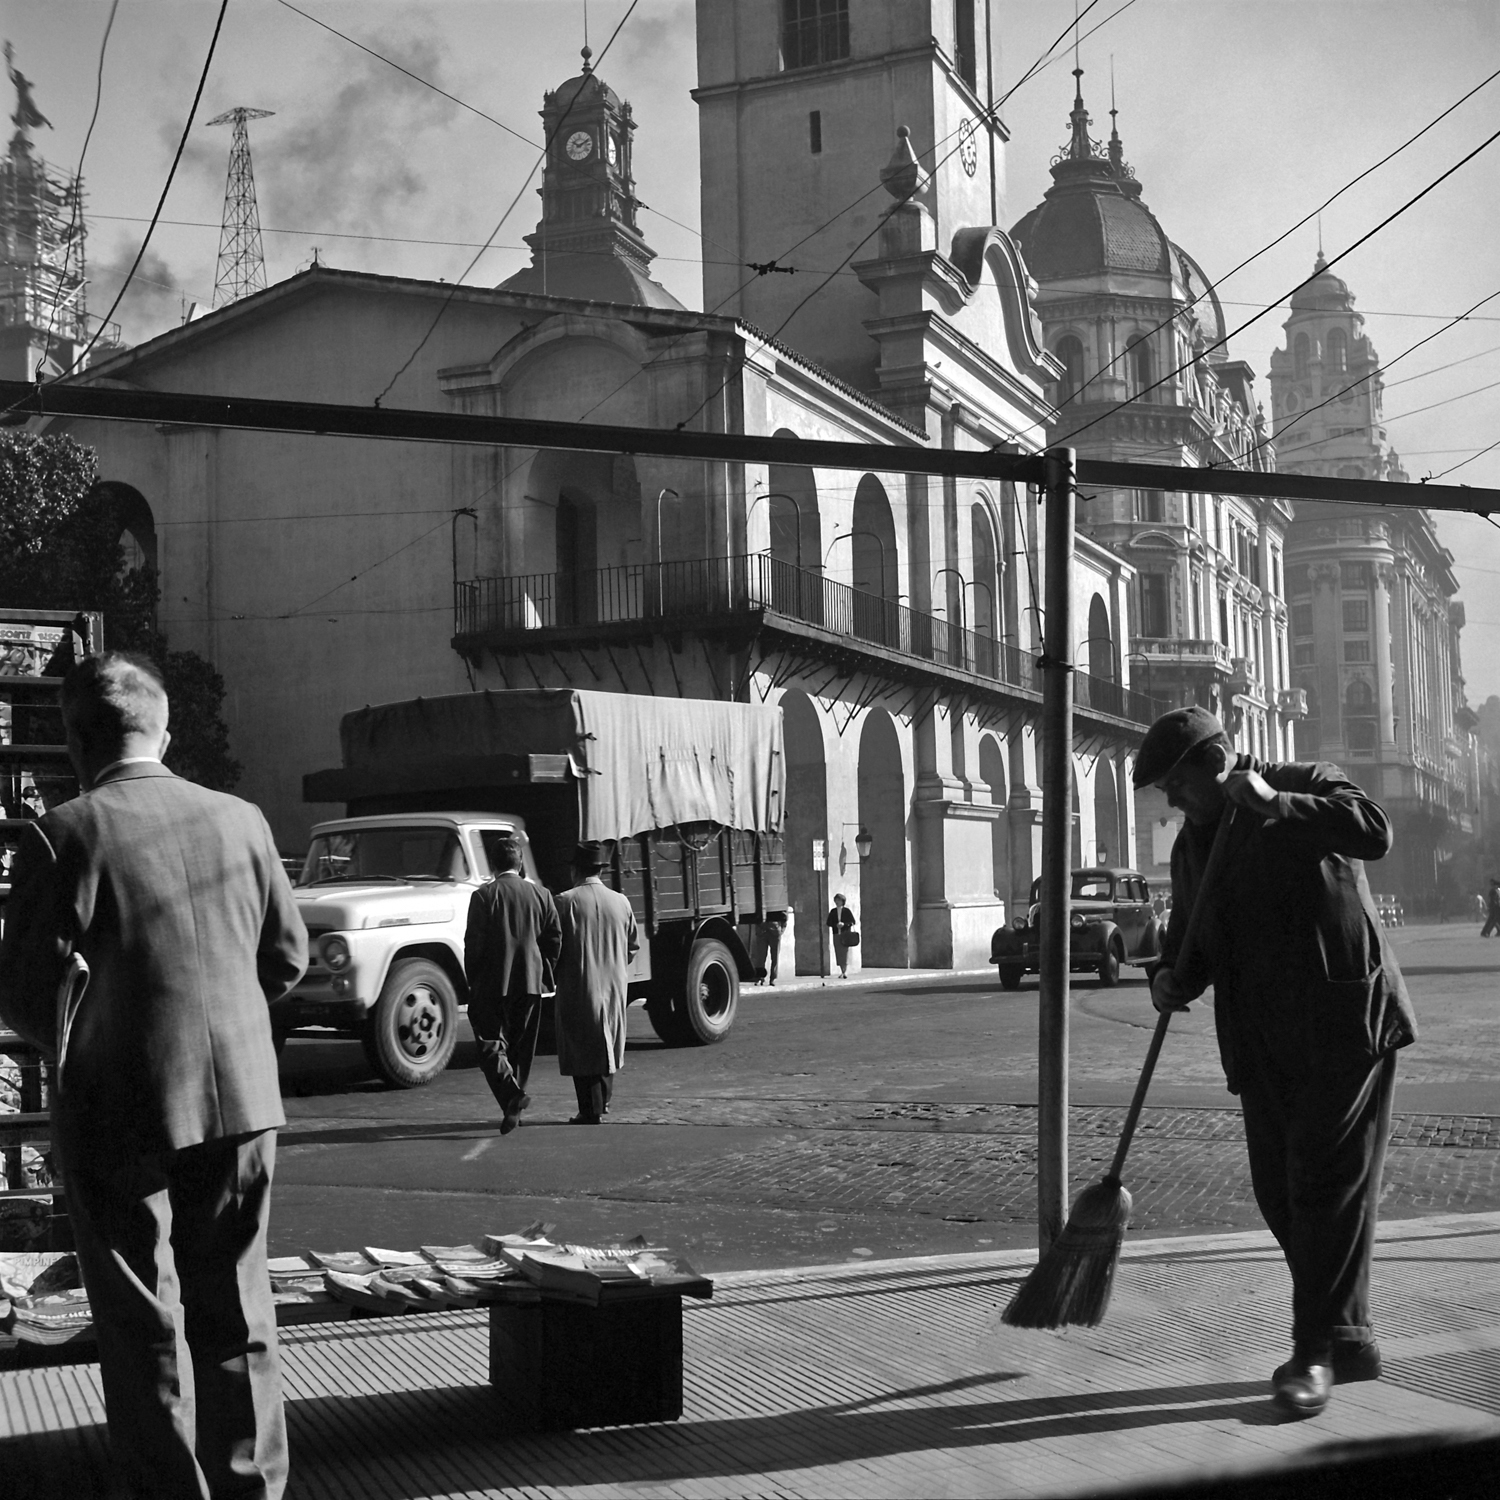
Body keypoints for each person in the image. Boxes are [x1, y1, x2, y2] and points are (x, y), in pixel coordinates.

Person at [0, 652, 307, 1498]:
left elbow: (24, 995)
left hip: (119, 1113)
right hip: (242, 1103)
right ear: (162, 729)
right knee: (241, 1315)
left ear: (74, 740)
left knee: (144, 1326)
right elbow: (286, 959)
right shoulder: (242, 821)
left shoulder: (62, 834)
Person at [1138, 705, 1415, 1420]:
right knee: (1280, 1193)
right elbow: (1194, 946)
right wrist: (1170, 979)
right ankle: (1348, 1338)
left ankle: (1313, 1350)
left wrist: (1275, 803)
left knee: (1321, 1190)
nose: (1172, 801)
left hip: (1342, 1029)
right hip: (1261, 1045)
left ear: (1214, 760)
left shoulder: (1301, 781)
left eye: (1175, 783)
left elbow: (1374, 832)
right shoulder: (1193, 846)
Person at [463, 832, 562, 1134]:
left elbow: (473, 944)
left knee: (490, 1043)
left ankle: (512, 1097)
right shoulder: (542, 895)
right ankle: (513, 1106)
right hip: (531, 983)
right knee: (520, 1047)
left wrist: (473, 979)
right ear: (520, 866)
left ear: (492, 865)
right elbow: (554, 938)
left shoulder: (483, 896)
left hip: (492, 983)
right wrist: (543, 970)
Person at [554, 841, 638, 1124]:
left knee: (581, 1045)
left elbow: (553, 947)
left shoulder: (564, 902)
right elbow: (632, 946)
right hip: (614, 986)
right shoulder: (622, 901)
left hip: (579, 984)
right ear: (600, 870)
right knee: (608, 1041)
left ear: (576, 869)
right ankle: (603, 1103)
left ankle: (590, 1109)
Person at [827, 892, 856, 977]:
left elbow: (852, 922)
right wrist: (835, 925)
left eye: (839, 900)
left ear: (842, 901)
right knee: (838, 952)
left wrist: (844, 924)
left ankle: (845, 972)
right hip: (836, 934)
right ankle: (842, 971)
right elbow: (828, 922)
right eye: (836, 900)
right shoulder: (833, 911)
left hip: (845, 934)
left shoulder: (847, 911)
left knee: (845, 952)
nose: (837, 902)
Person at [759, 909, 787, 986]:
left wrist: (781, 931)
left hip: (774, 932)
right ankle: (760, 977)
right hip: (763, 931)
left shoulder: (777, 905)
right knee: (761, 956)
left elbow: (784, 918)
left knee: (775, 957)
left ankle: (773, 978)